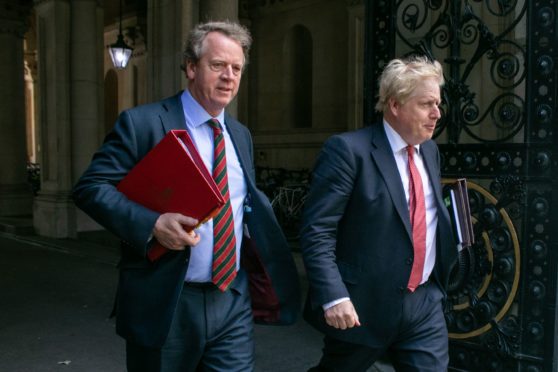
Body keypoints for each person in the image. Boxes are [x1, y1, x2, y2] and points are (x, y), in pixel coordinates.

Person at [73, 21, 300, 372]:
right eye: (217, 65)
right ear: (191, 68)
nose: (229, 76)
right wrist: (153, 224)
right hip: (169, 299)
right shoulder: (142, 123)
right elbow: (90, 188)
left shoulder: (240, 134)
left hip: (231, 299)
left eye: (236, 68)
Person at [300, 56, 458, 371]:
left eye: (438, 103)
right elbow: (317, 230)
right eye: (426, 104)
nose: (437, 114)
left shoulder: (429, 150)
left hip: (423, 303)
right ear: (395, 105)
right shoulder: (347, 152)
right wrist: (333, 296)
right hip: (362, 306)